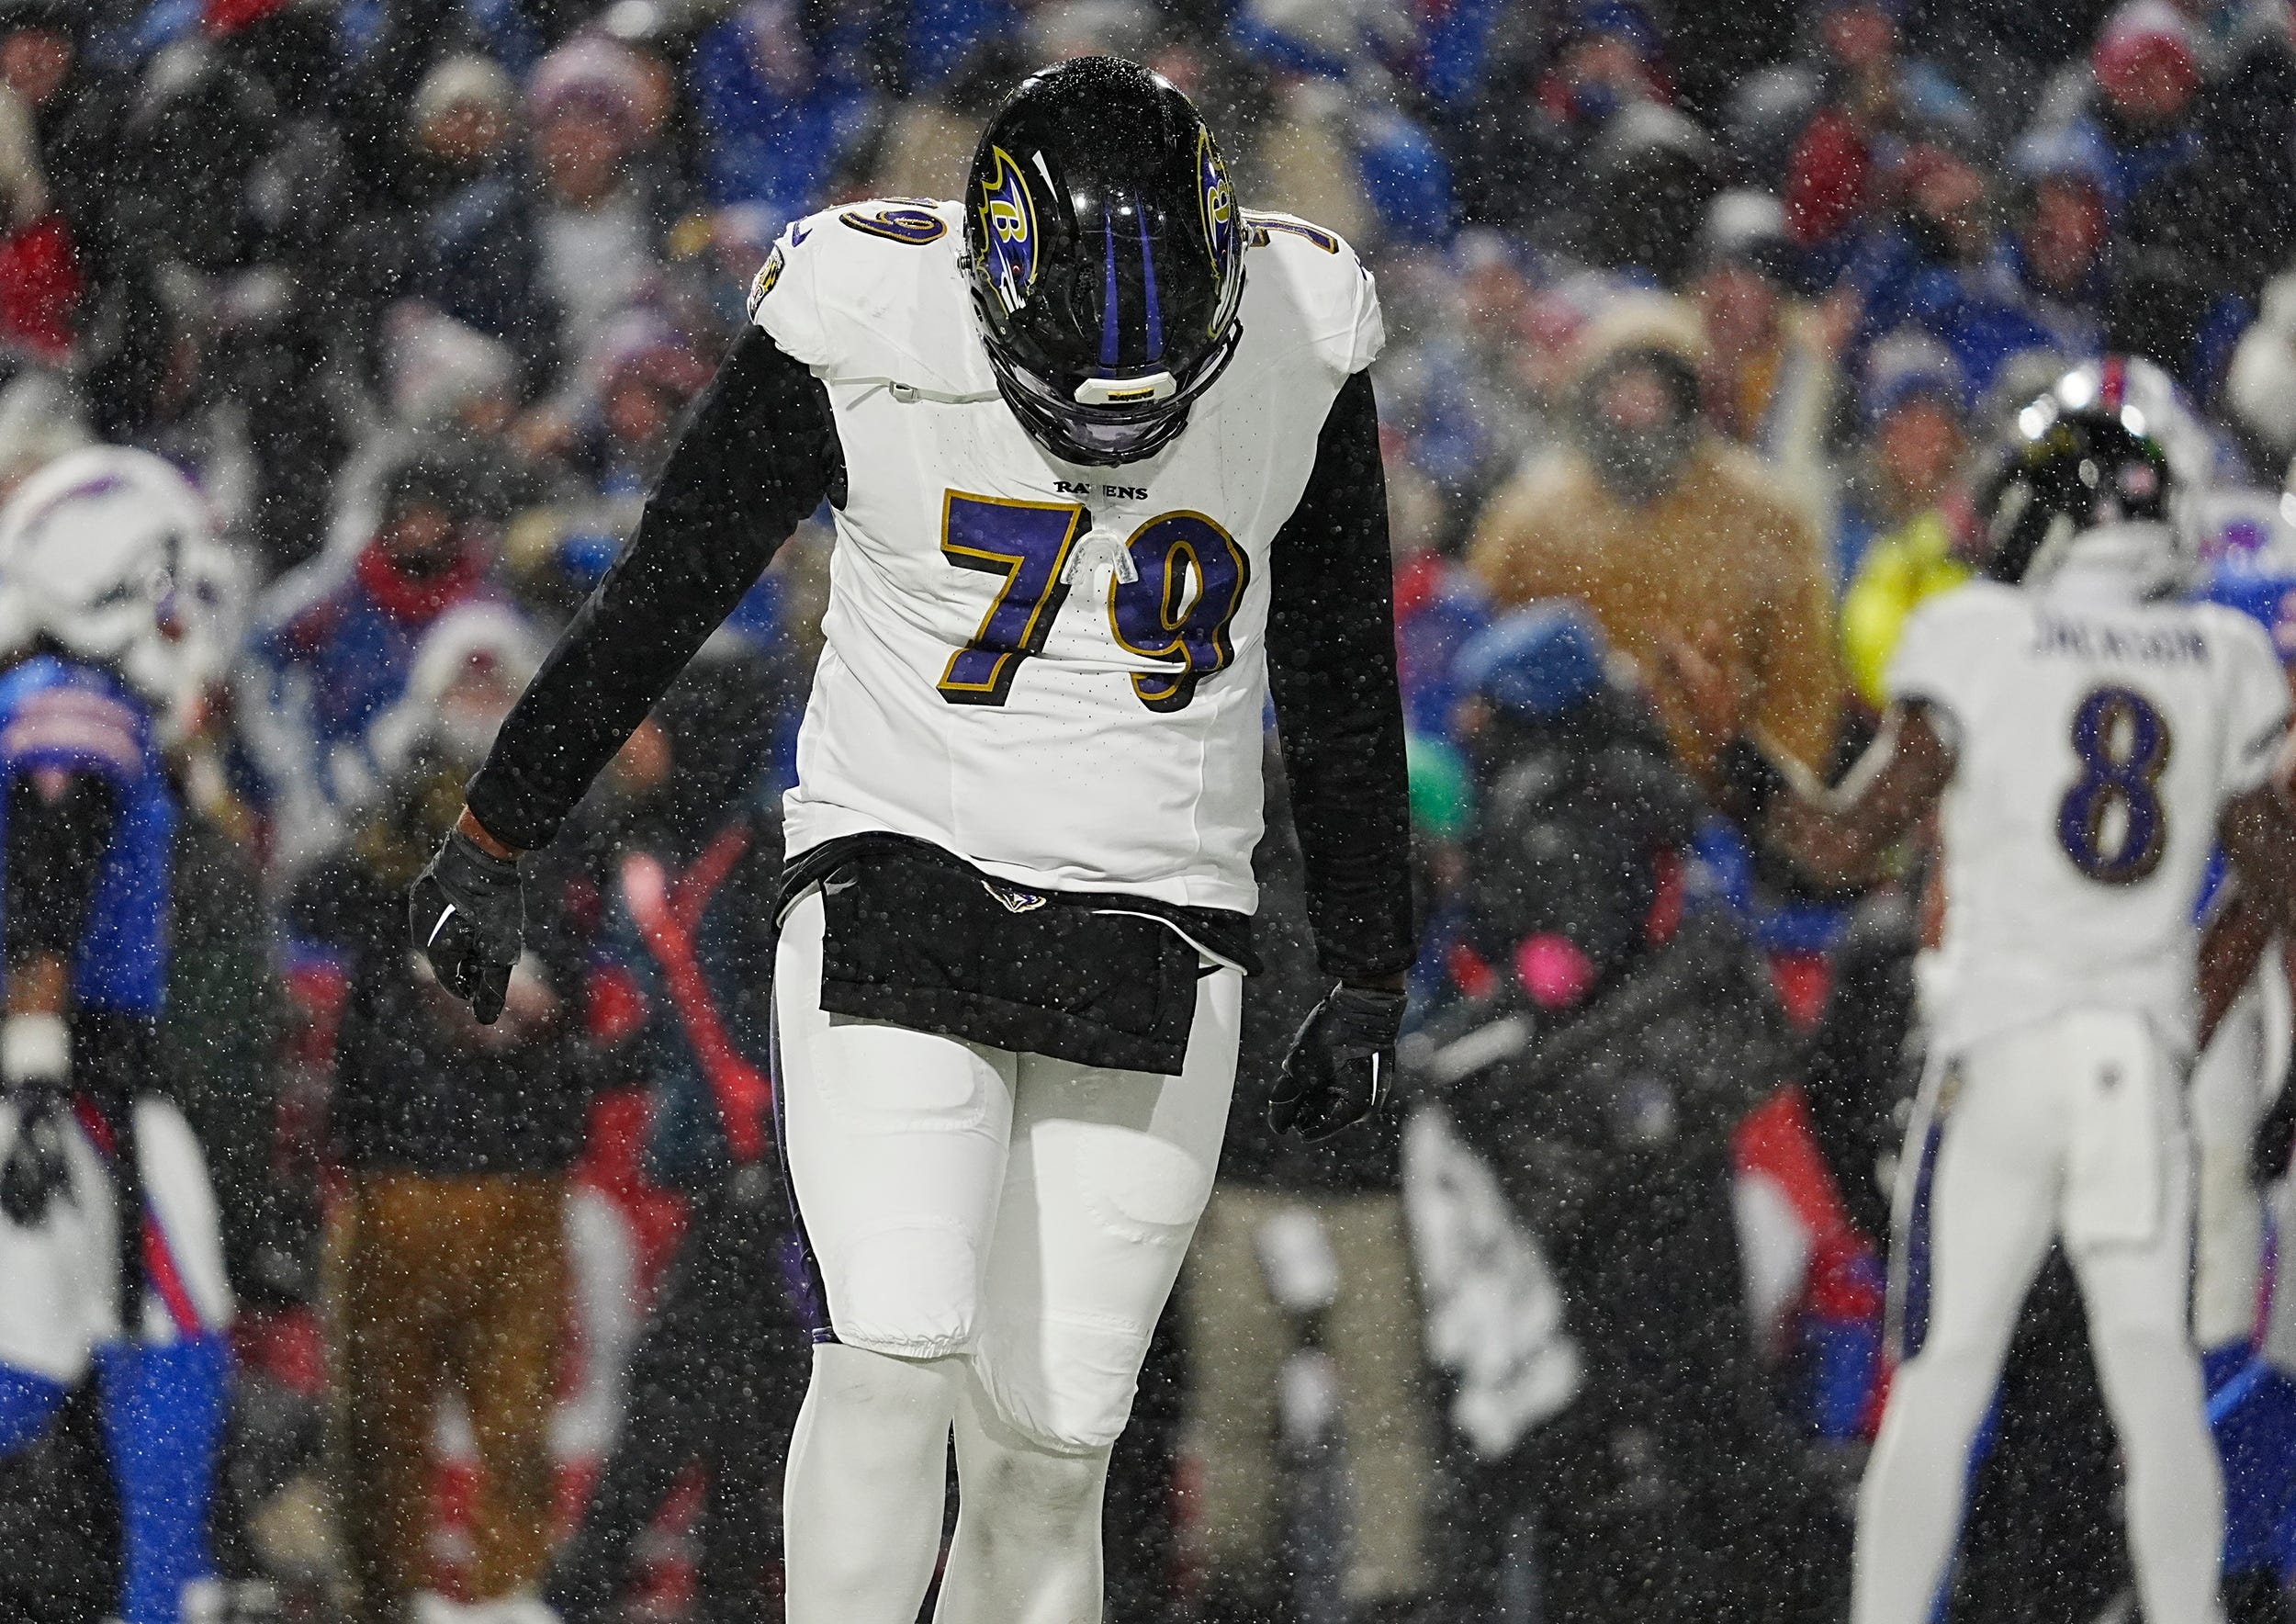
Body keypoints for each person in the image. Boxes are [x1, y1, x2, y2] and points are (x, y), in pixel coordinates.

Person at [407, 55, 1413, 1624]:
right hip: (902, 878)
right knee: (891, 1356)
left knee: (1054, 1439)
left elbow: (1348, 671)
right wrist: (504, 823)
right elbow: (670, 587)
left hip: (1161, 919)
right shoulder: (865, 318)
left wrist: (1364, 959)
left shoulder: (1301, 337)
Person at [1660, 356, 2296, 1624]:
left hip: (2003, 1057)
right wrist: (2186, 1023)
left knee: (1945, 1387)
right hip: (2132, 1069)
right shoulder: (2220, 651)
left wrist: (1728, 755)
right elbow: (2273, 885)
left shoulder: (1978, 634)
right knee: (2149, 1389)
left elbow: (1839, 847)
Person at [0, 445, 238, 1624]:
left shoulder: (43, 692)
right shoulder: (75, 704)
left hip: (64, 1068)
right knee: (171, 1335)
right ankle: (157, 1598)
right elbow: (52, 863)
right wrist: (39, 1072)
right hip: (75, 1075)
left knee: (43, 1356)